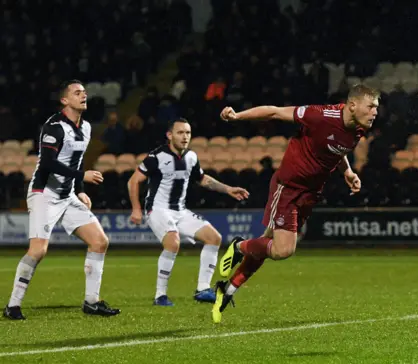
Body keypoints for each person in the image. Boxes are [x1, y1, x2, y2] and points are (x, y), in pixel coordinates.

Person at [212, 84, 379, 323]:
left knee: (266, 244)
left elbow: (334, 147)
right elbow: (274, 112)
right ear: (352, 105)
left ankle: (227, 290)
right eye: (371, 106)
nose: (375, 112)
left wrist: (348, 172)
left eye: (376, 108)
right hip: (288, 186)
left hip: (310, 192)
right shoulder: (320, 115)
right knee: (283, 249)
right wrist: (238, 116)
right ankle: (238, 246)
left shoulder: (358, 128)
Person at [3, 80, 120, 320]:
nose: (83, 95)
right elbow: (47, 163)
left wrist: (80, 188)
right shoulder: (54, 126)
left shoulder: (86, 127)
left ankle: (92, 302)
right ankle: (12, 305)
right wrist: (82, 176)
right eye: (77, 93)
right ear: (65, 101)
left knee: (99, 241)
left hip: (68, 195)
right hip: (44, 194)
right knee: (38, 250)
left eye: (84, 92)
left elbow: (74, 161)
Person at [127, 118, 250, 306]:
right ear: (169, 135)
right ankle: (160, 295)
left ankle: (202, 289)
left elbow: (202, 179)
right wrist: (136, 209)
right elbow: (133, 181)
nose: (185, 137)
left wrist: (228, 189)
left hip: (180, 211)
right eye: (180, 133)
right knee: (173, 242)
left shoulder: (191, 157)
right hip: (158, 209)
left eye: (188, 133)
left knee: (214, 238)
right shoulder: (156, 157)